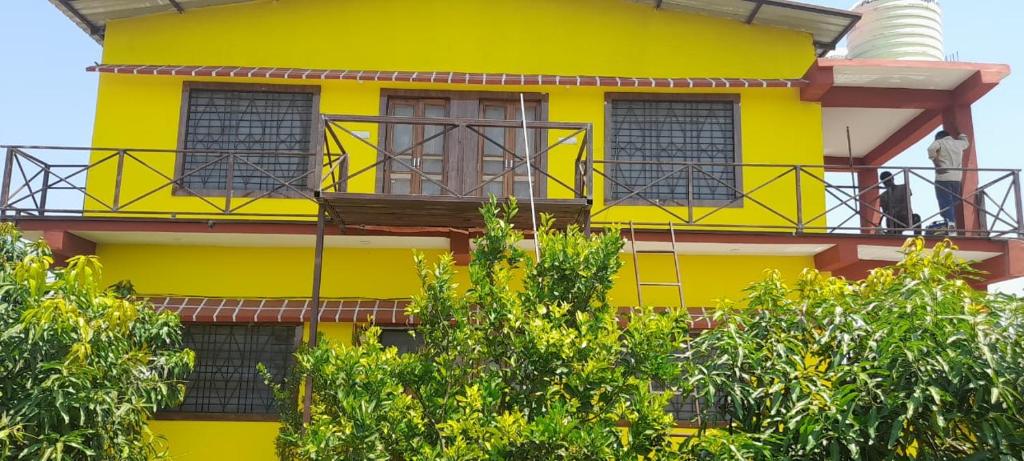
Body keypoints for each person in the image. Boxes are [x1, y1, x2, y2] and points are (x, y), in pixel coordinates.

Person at [927, 130, 970, 230]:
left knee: (945, 203)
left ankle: (950, 224)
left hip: (943, 177)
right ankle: (952, 223)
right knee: (953, 202)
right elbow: (966, 142)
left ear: (939, 137)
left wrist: (936, 162)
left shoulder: (940, 142)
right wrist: (961, 133)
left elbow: (931, 149)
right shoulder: (958, 144)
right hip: (957, 178)